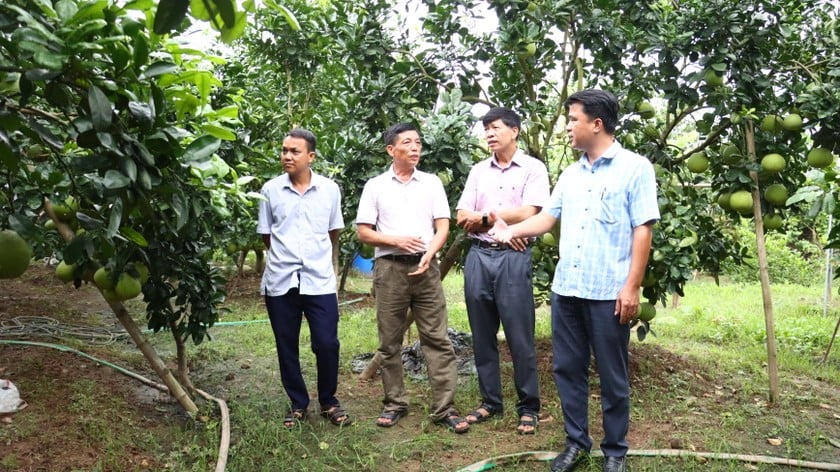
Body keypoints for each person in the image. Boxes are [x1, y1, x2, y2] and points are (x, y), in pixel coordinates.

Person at [489, 90, 659, 472]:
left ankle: (615, 451)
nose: (567, 127)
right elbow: (547, 219)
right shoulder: (570, 172)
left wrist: (631, 286)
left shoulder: (635, 168)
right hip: (567, 290)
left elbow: (642, 230)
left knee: (613, 374)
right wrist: (506, 231)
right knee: (568, 369)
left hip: (608, 292)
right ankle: (576, 443)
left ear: (596, 124)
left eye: (572, 119)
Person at [356, 123, 469, 434]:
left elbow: (443, 226)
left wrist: (429, 253)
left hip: (426, 269)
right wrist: (396, 241)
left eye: (418, 142)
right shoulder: (375, 186)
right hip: (390, 270)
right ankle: (395, 403)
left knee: (437, 338)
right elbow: (363, 231)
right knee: (389, 341)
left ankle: (444, 408)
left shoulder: (431, 183)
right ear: (392, 150)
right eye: (408, 142)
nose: (416, 147)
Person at [455, 107, 550, 434]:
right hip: (479, 255)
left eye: (495, 128)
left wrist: (484, 218)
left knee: (519, 335)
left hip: (513, 254)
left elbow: (531, 211)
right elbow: (461, 215)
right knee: (482, 334)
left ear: (515, 131)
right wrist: (489, 220)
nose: (489, 135)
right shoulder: (478, 171)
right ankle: (490, 402)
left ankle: (529, 406)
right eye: (486, 130)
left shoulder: (533, 169)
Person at [257, 128, 351, 429]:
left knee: (327, 343)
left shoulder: (330, 190)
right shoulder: (270, 190)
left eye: (294, 151)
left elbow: (333, 232)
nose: (287, 156)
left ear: (310, 156)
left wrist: (312, 256)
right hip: (281, 280)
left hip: (319, 280)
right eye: (284, 150)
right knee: (286, 344)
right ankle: (298, 402)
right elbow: (266, 235)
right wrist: (287, 257)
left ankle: (328, 400)